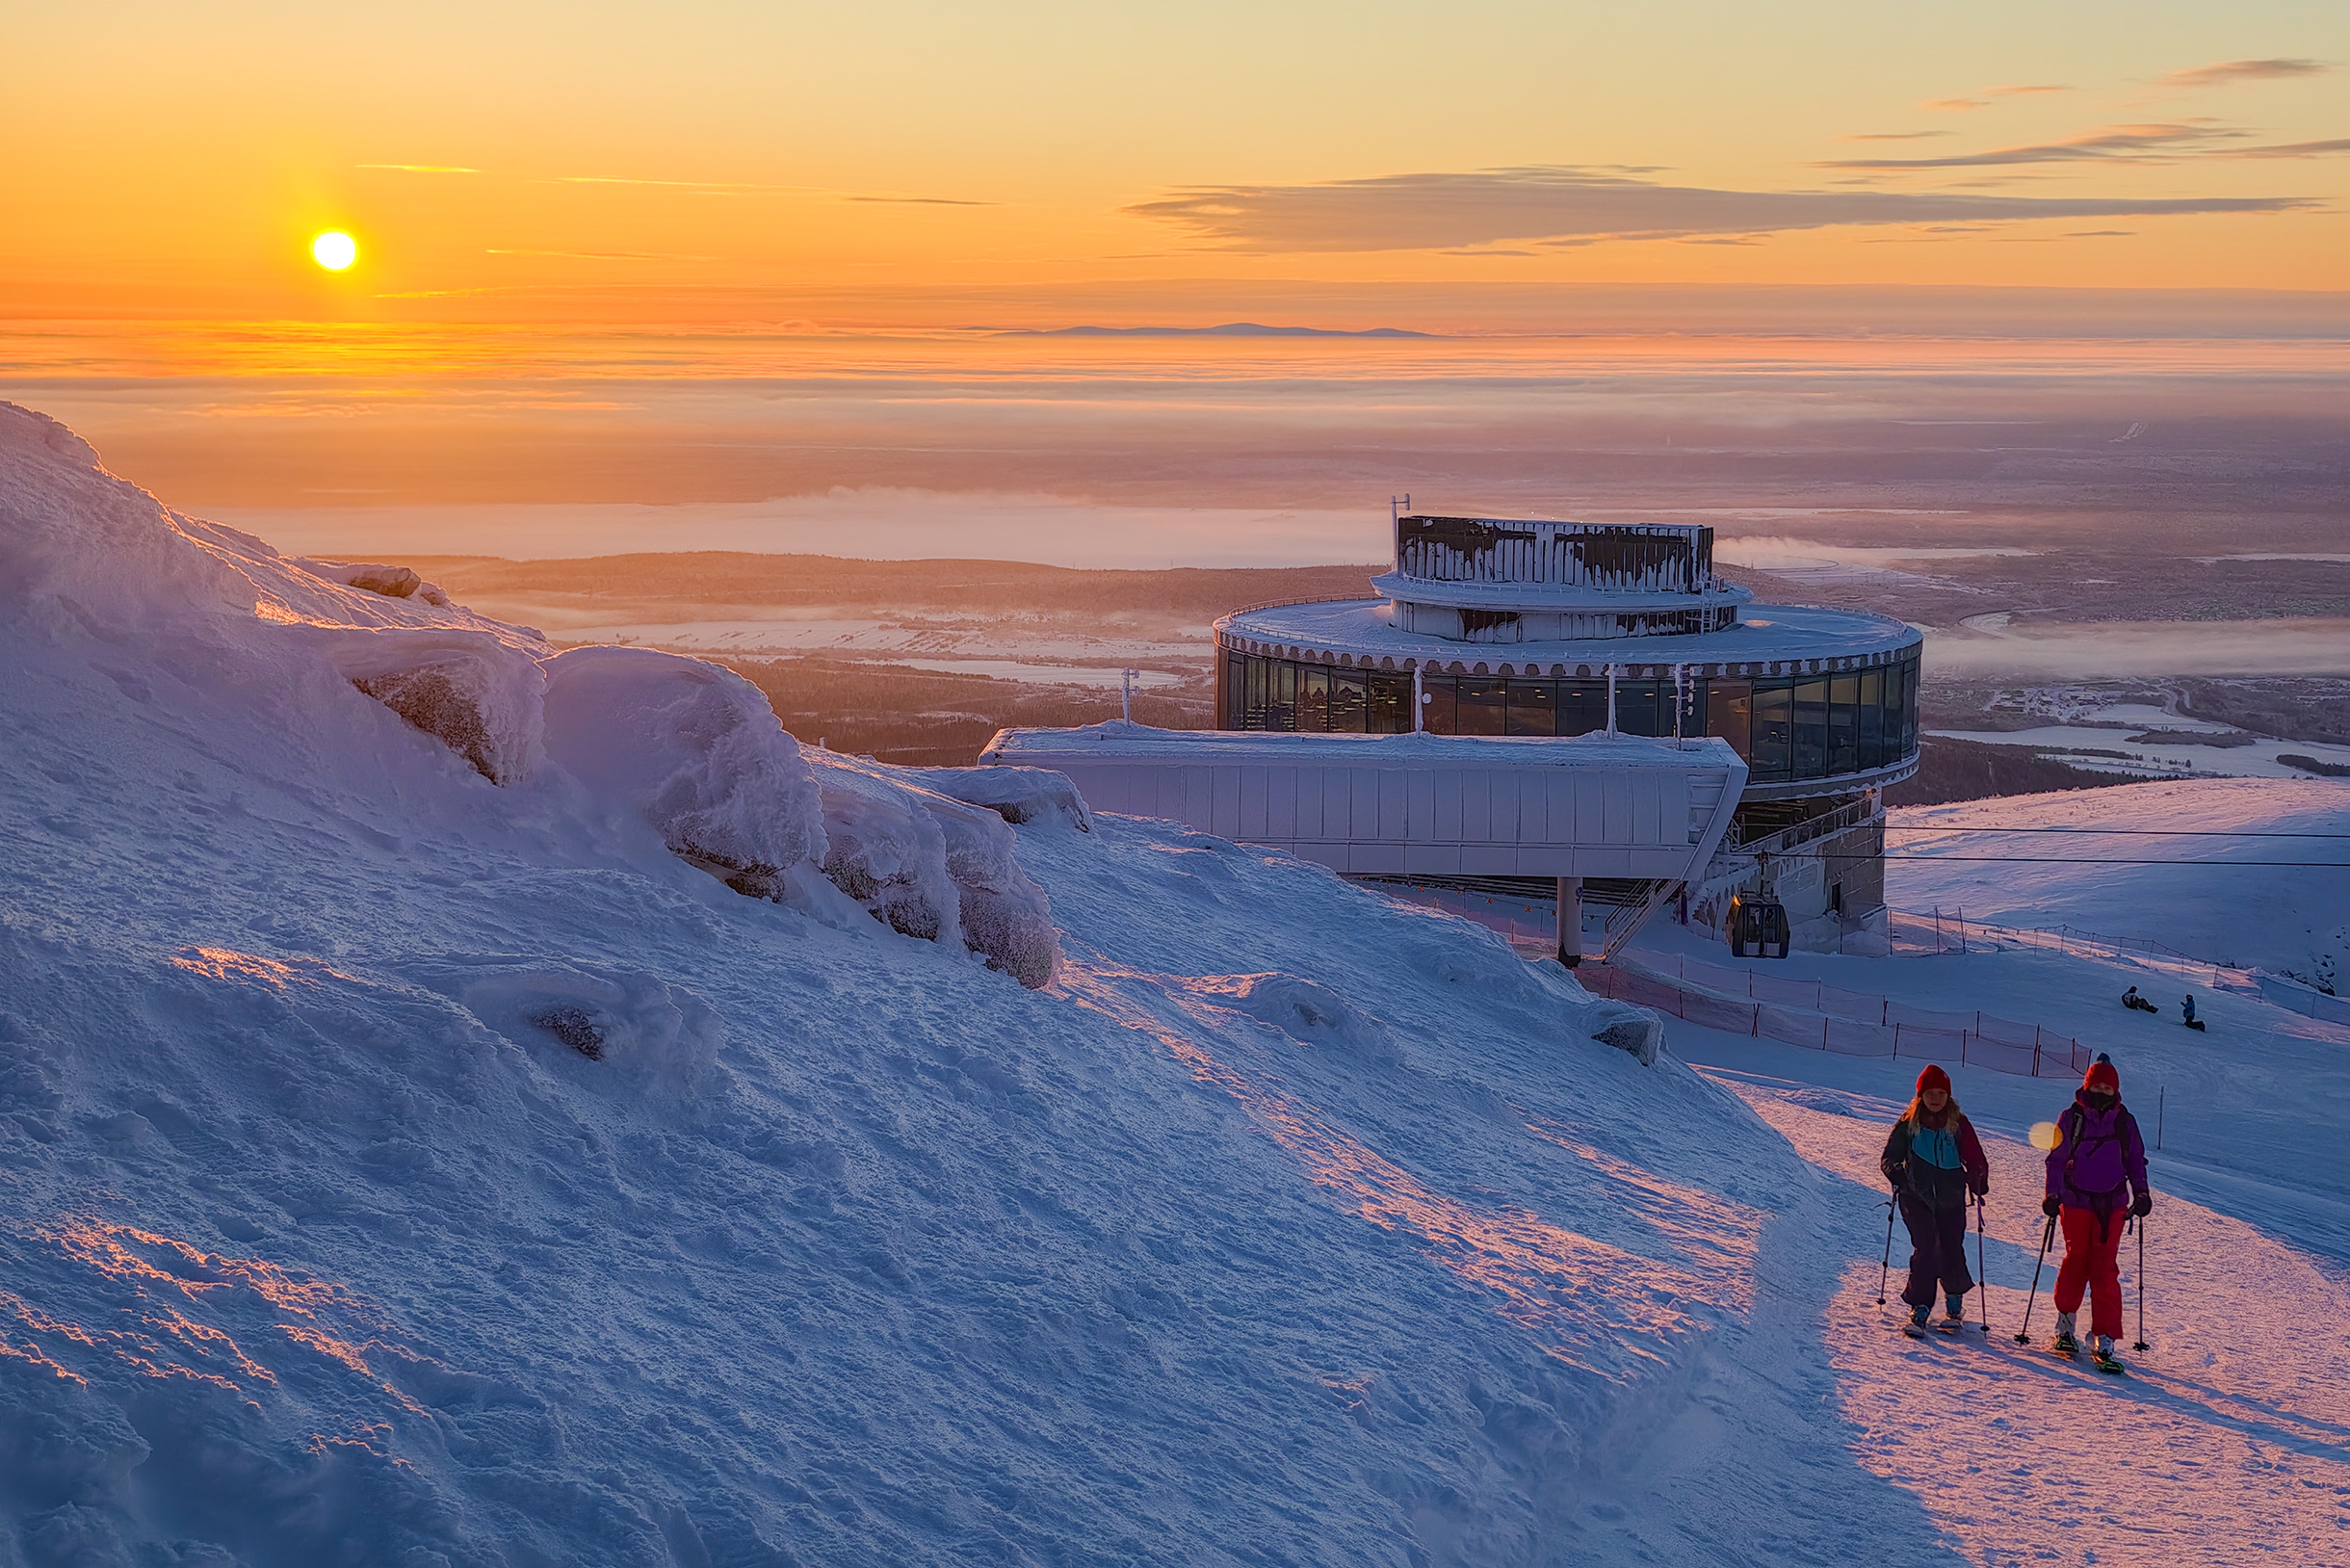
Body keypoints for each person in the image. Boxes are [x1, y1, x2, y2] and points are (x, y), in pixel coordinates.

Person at [2041, 1056, 2153, 1362]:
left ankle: (2105, 1337)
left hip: (2112, 1205)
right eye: (2096, 1086)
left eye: (2107, 1087)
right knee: (2076, 1263)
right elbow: (2056, 1158)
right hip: (2075, 1202)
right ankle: (2065, 1328)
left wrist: (2141, 1192)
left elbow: (2135, 1160)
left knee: (2104, 1271)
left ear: (2114, 1089)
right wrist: (2052, 1194)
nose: (2101, 1091)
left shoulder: (2124, 1122)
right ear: (2087, 1086)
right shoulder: (2071, 1117)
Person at [1879, 1063, 1990, 1334]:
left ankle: (1954, 1305)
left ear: (1948, 1096)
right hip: (1915, 1195)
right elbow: (1889, 1157)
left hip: (1951, 1197)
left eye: (1941, 1093)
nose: (1936, 1098)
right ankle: (1920, 1306)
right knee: (1926, 1246)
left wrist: (1978, 1179)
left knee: (1952, 1247)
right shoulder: (1909, 1123)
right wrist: (1897, 1174)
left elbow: (1975, 1157)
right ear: (1920, 1096)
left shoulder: (1959, 1123)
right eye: (1930, 1093)